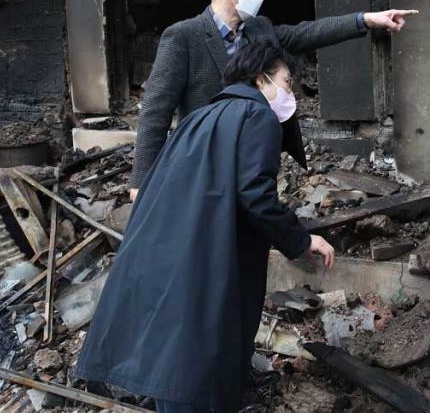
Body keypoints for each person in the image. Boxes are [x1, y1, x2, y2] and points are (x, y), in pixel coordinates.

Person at [74, 42, 335, 412]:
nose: (291, 93)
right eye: (287, 82)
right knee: (201, 356)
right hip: (208, 252)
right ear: (262, 80)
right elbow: (256, 196)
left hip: (170, 247)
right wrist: (302, 239)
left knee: (175, 355)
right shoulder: (256, 116)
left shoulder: (202, 116)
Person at [129, 0, 417, 201]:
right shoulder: (183, 37)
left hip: (251, 158)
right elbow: (156, 109)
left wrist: (365, 20)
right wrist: (141, 181)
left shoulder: (258, 28)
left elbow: (306, 33)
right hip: (205, 161)